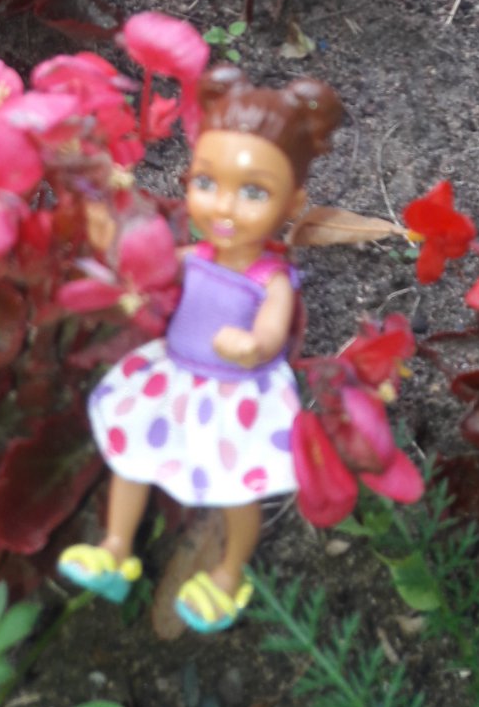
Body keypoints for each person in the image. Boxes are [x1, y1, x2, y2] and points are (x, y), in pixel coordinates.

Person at [58, 65, 343, 632]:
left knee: (238, 493)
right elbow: (151, 266)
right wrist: (110, 235)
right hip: (174, 379)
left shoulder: (269, 279)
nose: (224, 207)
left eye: (254, 192)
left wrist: (253, 344)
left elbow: (271, 332)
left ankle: (230, 572)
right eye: (206, 183)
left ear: (294, 203)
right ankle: (116, 547)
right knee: (132, 463)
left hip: (237, 396)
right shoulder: (196, 256)